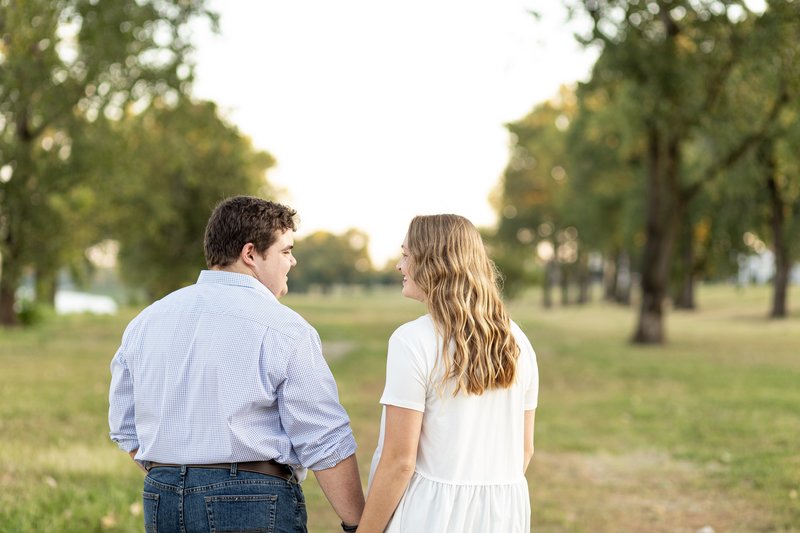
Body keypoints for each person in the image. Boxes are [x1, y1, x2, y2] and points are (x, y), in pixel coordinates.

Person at [108, 195, 364, 533]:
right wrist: (359, 523)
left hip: (163, 496)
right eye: (285, 251)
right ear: (250, 254)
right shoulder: (285, 328)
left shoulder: (147, 321)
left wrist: (183, 474)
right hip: (252, 500)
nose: (293, 261)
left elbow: (125, 429)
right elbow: (324, 440)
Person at [357, 214, 539, 533]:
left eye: (406, 255)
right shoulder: (518, 340)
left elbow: (400, 462)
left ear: (433, 263)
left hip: (427, 516)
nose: (400, 266)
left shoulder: (411, 341)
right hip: (502, 516)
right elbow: (524, 449)